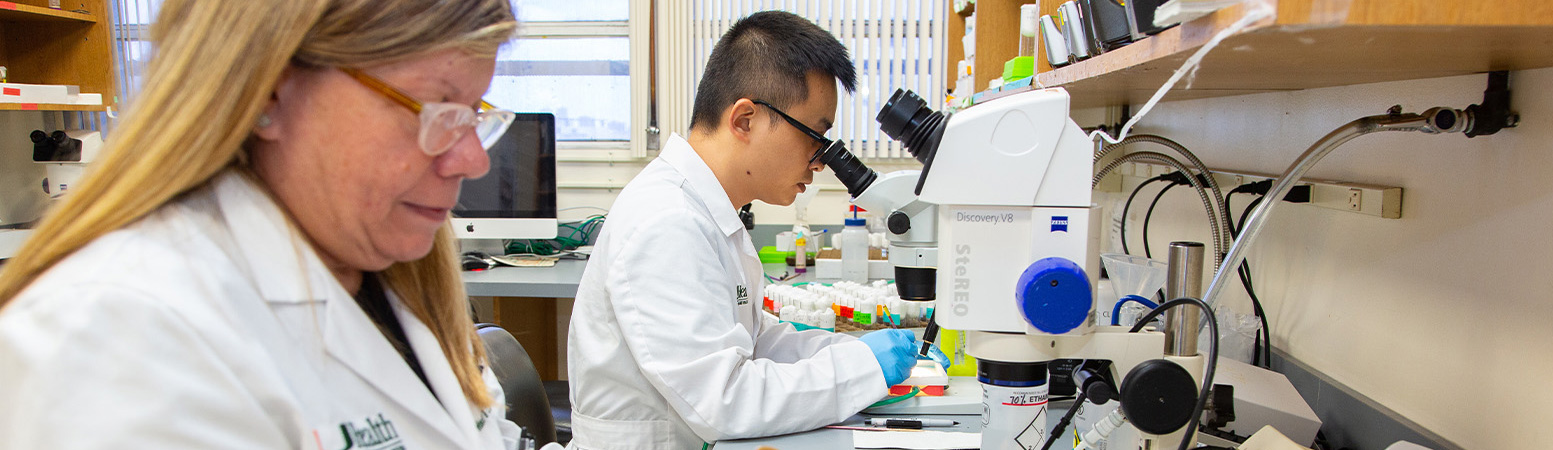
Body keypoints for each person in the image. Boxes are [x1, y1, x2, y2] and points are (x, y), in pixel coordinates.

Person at [0, 0, 545, 448]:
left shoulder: (387, 278)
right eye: (433, 108)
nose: (474, 161)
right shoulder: (117, 336)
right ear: (268, 92)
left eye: (473, 114)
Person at [567, 11, 943, 449]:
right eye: (815, 136)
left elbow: (753, 340)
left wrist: (849, 351)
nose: (821, 161)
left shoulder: (710, 210)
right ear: (745, 119)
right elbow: (725, 402)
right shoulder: (667, 222)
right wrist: (864, 369)